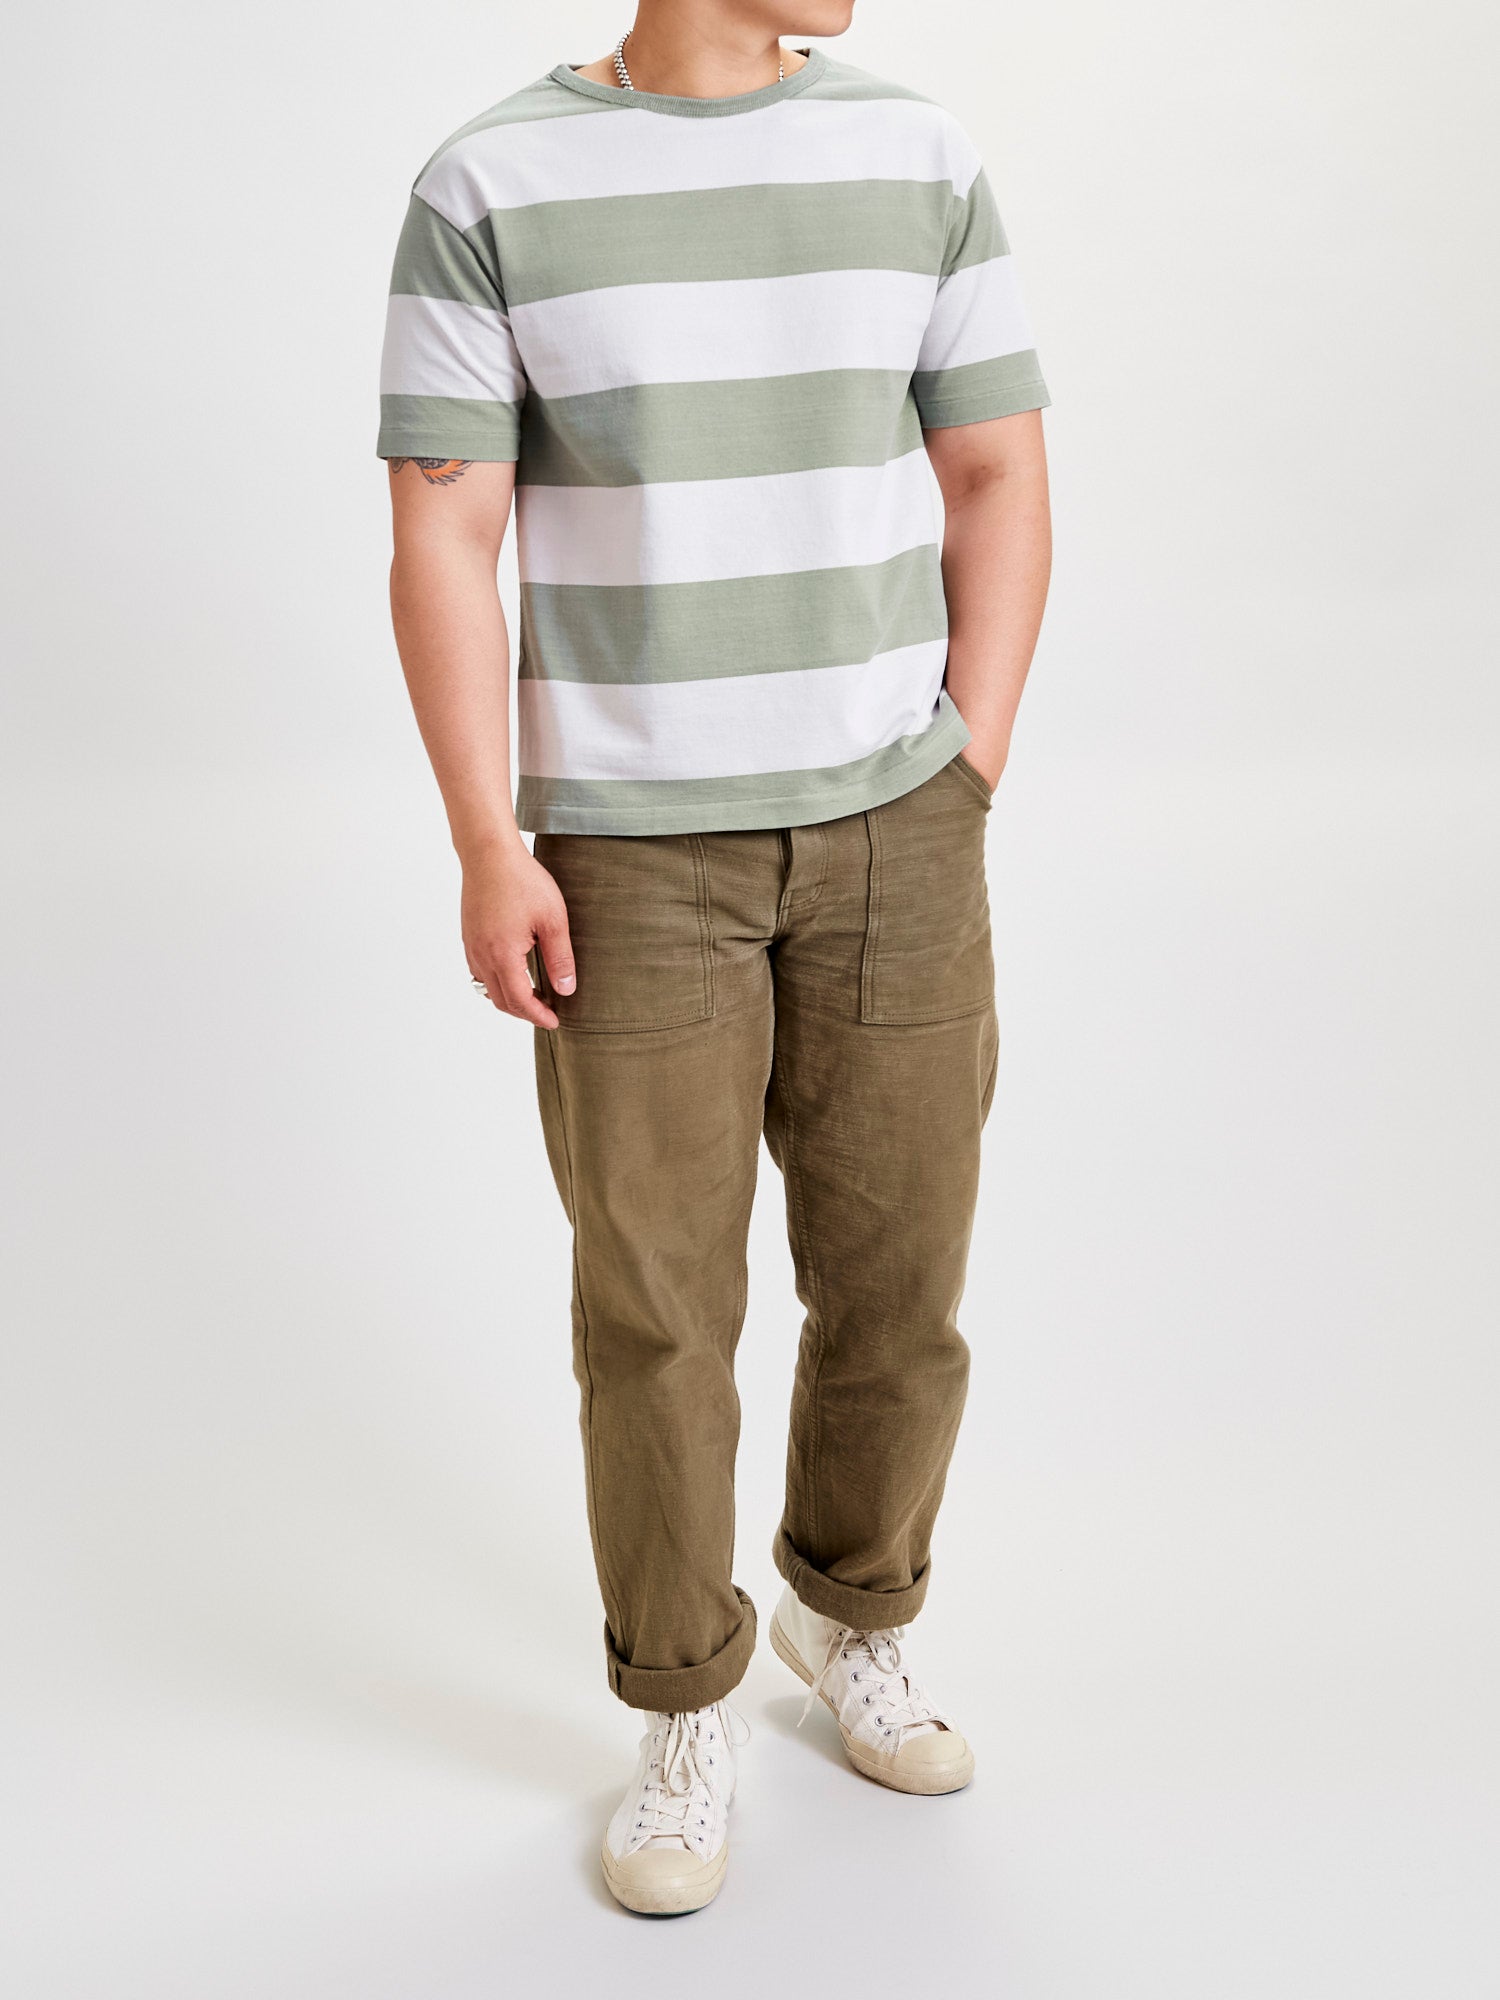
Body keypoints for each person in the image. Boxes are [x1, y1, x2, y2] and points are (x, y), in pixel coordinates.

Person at [379, 0, 1051, 1917]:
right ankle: (682, 1703)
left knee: (901, 1281)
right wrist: (489, 839)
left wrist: (970, 765)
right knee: (658, 1309)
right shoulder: (490, 181)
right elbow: (444, 537)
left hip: (897, 825)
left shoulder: (916, 151)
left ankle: (854, 1613)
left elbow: (997, 474)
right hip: (627, 851)